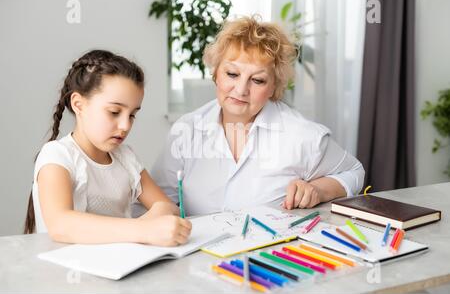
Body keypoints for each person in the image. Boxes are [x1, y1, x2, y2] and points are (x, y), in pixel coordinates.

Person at [151, 16, 365, 216]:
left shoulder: (302, 135)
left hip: (268, 253)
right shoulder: (187, 130)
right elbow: (156, 199)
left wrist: (318, 190)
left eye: (258, 80)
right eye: (232, 74)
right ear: (216, 73)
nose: (241, 89)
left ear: (274, 86)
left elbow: (355, 172)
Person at [24, 50, 191, 247]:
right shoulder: (57, 155)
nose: (125, 126)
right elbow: (61, 225)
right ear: (78, 105)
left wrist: (157, 216)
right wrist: (143, 229)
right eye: (114, 112)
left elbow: (168, 207)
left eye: (132, 115)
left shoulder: (126, 158)